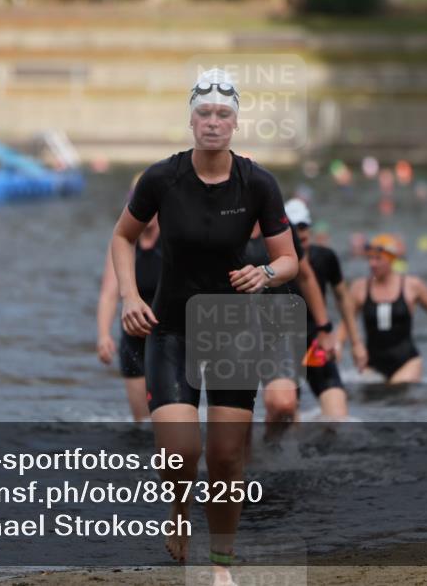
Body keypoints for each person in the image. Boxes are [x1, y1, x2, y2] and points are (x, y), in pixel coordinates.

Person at [110, 69, 299, 581]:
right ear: (191, 120)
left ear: (235, 123)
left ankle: (220, 565)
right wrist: (129, 295)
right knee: (180, 452)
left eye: (222, 114)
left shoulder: (257, 182)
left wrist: (262, 273)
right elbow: (123, 237)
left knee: (226, 459)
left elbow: (289, 261)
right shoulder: (161, 178)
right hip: (171, 328)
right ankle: (177, 512)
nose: (213, 123)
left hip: (233, 329)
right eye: (204, 113)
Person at [243, 217, 337, 429]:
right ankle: (247, 457)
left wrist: (323, 328)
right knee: (238, 426)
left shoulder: (278, 223)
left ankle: (270, 447)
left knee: (284, 404)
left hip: (274, 331)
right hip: (231, 330)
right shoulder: (220, 219)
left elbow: (305, 277)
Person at [285, 198, 367, 417]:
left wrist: (356, 343)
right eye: (293, 228)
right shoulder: (276, 262)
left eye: (303, 226)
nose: (299, 233)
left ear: (309, 228)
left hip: (316, 341)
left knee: (339, 418)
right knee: (287, 422)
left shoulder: (325, 257)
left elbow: (343, 297)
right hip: (285, 346)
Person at [350, 234, 427, 383]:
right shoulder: (359, 287)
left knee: (398, 394)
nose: (372, 264)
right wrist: (342, 345)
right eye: (370, 258)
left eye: (378, 259)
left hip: (407, 362)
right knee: (372, 398)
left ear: (391, 259)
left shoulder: (412, 285)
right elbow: (346, 323)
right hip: (371, 363)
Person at [97, 201, 160, 422]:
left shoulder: (173, 240)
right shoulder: (123, 244)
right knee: (143, 424)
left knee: (169, 419)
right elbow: (109, 293)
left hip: (167, 338)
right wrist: (104, 335)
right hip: (134, 339)